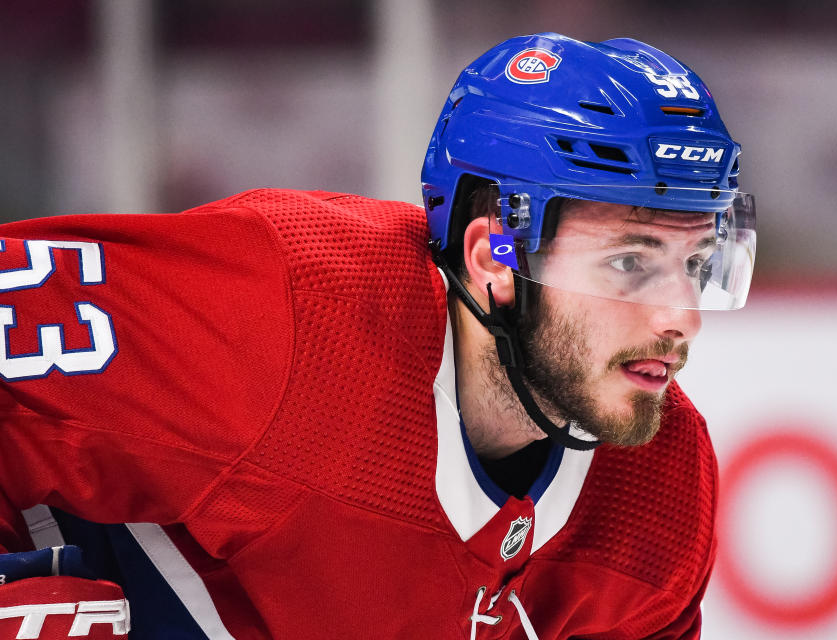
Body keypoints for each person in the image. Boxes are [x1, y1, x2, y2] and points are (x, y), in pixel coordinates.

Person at [0, 32, 756, 639]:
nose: (679, 316)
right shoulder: (292, 307)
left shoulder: (665, 494)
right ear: (494, 256)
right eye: (630, 261)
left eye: (695, 262)